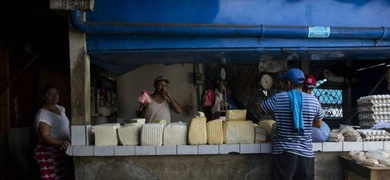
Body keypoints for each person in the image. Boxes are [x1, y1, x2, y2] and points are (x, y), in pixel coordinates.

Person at [255, 68, 324, 180]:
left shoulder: (279, 98)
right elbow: (318, 123)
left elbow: (258, 109)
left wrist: (278, 114)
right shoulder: (314, 101)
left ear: (288, 83)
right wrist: (303, 119)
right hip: (306, 155)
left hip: (284, 153)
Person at [33, 85, 74, 179]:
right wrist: (61, 143)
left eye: (56, 94)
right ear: (43, 97)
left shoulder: (61, 109)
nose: (54, 96)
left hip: (62, 150)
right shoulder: (43, 115)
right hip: (49, 152)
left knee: (64, 176)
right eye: (50, 94)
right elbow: (46, 137)